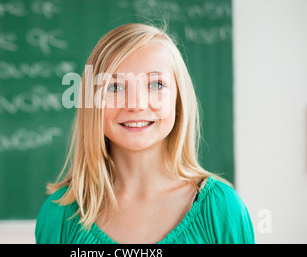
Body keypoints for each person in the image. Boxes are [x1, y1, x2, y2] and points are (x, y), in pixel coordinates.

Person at [35, 23, 255, 244]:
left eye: (156, 84)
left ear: (178, 100)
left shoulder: (221, 209)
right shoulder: (59, 216)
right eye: (115, 87)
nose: (136, 104)